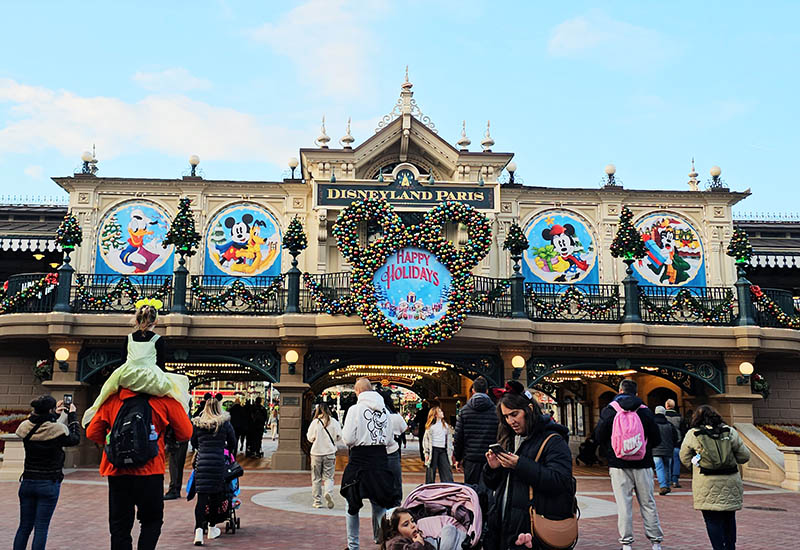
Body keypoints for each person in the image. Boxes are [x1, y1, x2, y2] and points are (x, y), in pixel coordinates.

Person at [86, 383, 193, 549]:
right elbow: (185, 432)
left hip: (117, 470)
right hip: (151, 470)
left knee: (119, 524)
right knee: (151, 520)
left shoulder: (112, 400)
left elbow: (92, 432)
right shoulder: (164, 401)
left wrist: (112, 445)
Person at [482, 381, 575, 550]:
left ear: (529, 410)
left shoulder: (553, 440)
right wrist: (492, 468)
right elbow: (494, 485)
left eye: (514, 414)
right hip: (504, 524)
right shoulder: (509, 439)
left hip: (532, 528)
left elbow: (560, 481)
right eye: (506, 417)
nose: (510, 421)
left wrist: (520, 465)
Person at [82, 302, 190, 427]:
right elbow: (160, 365)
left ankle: (92, 414)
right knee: (179, 384)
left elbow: (123, 361)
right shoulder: (158, 340)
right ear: (155, 322)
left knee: (105, 393)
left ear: (137, 320)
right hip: (150, 376)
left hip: (128, 373)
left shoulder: (129, 338)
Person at [594, 379, 663, 550]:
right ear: (637, 393)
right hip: (643, 463)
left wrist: (611, 451)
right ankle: (655, 542)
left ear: (619, 390)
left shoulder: (610, 410)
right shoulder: (645, 411)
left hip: (618, 465)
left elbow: (599, 435)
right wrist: (643, 449)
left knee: (624, 505)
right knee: (648, 503)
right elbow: (656, 438)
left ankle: (626, 544)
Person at [13, 395, 80, 550]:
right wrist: (72, 416)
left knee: (24, 527)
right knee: (41, 527)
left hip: (28, 481)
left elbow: (39, 423)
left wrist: (53, 414)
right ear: (49, 410)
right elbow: (74, 438)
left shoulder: (24, 427)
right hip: (48, 482)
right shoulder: (57, 430)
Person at [680, 405, 751, 550]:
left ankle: (718, 547)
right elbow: (744, 456)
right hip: (730, 480)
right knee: (729, 518)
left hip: (706, 482)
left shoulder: (693, 433)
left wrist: (696, 465)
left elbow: (684, 457)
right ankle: (730, 547)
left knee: (712, 520)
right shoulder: (729, 432)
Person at [341, 377, 396, 550]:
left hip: (359, 460)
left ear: (358, 392)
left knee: (351, 504)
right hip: (380, 460)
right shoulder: (385, 411)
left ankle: (353, 546)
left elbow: (348, 437)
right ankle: (383, 543)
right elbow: (389, 439)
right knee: (380, 505)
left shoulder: (355, 410)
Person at [190, 397, 237, 545]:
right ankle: (212, 528)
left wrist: (203, 448)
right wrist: (226, 451)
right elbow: (233, 442)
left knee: (202, 499)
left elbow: (193, 442)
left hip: (202, 463)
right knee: (216, 496)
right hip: (218, 462)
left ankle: (198, 532)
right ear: (219, 407)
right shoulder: (224, 424)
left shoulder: (198, 424)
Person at [453, 376, 498, 486]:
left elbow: (458, 437)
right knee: (489, 490)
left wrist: (458, 458)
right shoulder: (496, 411)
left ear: (473, 390)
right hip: (490, 457)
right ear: (487, 391)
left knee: (472, 491)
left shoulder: (464, 411)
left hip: (471, 459)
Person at [307, 402, 343, 509]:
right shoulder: (334, 422)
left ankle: (317, 501)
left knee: (316, 478)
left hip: (316, 453)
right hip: (330, 452)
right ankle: (328, 493)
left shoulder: (315, 423)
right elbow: (339, 436)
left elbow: (310, 437)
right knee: (329, 477)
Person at [378, 507, 467, 550]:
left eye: (412, 521)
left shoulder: (412, 538)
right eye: (406, 524)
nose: (413, 525)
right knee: (449, 530)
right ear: (394, 531)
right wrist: (418, 543)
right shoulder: (394, 544)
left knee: (451, 530)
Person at [383, 392, 408, 505]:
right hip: (394, 447)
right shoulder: (396, 417)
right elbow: (404, 428)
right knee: (395, 476)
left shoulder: (375, 416)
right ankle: (396, 502)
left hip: (378, 449)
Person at [164, 400, 192, 500]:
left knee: (174, 464)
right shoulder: (184, 406)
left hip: (177, 438)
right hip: (182, 438)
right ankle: (176, 488)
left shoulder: (176, 405)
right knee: (178, 464)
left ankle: (174, 489)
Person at [422, 406, 454, 484]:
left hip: (443, 449)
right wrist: (426, 453)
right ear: (435, 414)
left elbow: (449, 439)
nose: (442, 412)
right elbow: (426, 440)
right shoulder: (431, 427)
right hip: (433, 449)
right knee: (431, 471)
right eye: (439, 411)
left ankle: (448, 486)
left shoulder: (446, 426)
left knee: (446, 470)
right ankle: (429, 487)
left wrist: (451, 450)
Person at [653, 405, 679, 495]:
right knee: (667, 467)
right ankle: (667, 485)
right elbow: (675, 437)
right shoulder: (669, 425)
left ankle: (663, 485)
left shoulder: (653, 424)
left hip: (655, 450)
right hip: (668, 450)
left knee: (659, 467)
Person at [664, 398, 687, 488]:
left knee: (667, 461)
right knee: (676, 460)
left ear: (666, 406)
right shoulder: (679, 417)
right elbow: (683, 430)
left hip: (667, 440)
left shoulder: (664, 416)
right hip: (677, 440)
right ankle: (675, 479)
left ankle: (668, 479)